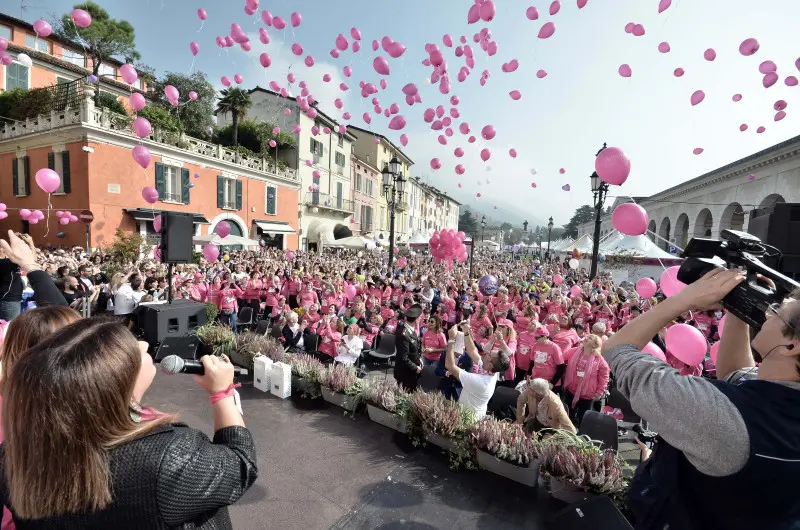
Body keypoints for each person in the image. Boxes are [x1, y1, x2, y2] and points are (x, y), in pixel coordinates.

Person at [0, 318, 258, 528]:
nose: (144, 344)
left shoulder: (12, 459)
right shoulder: (168, 458)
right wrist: (222, 393)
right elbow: (240, 466)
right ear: (112, 383)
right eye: (130, 349)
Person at [602, 268, 800, 529]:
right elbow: (738, 377)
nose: (766, 312)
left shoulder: (717, 416)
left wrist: (685, 299)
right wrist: (738, 308)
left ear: (792, 346)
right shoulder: (776, 405)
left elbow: (615, 350)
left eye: (776, 311)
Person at [443, 321, 510, 418]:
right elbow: (473, 351)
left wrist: (451, 339)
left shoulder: (481, 382)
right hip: (469, 414)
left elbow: (450, 366)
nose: (487, 353)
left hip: (468, 419)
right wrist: (466, 331)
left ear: (490, 365)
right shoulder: (492, 370)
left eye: (489, 354)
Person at [563, 334, 610, 425]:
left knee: (583, 417)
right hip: (571, 389)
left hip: (587, 394)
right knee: (568, 415)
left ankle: (581, 436)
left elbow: (604, 377)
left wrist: (599, 392)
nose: (586, 338)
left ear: (594, 344)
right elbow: (561, 360)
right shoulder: (573, 351)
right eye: (586, 337)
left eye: (590, 338)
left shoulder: (599, 360)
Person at [394, 304, 423, 391]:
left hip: (411, 371)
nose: (420, 319)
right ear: (416, 320)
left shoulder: (411, 330)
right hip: (406, 372)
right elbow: (403, 357)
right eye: (419, 317)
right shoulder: (403, 334)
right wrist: (415, 367)